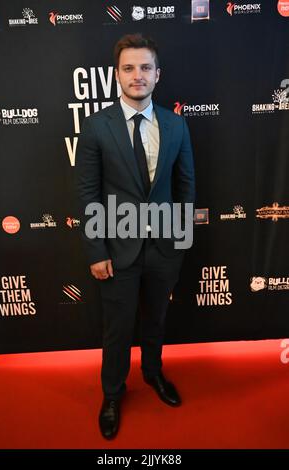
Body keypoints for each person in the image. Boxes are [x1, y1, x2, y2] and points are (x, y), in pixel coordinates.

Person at [75, 33, 195, 440]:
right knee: (117, 328)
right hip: (115, 249)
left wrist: (179, 244)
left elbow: (186, 188)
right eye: (129, 68)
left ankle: (154, 374)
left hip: (164, 249)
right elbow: (88, 193)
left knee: (157, 321)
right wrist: (96, 249)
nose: (137, 75)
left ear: (157, 75)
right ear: (117, 75)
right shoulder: (95, 127)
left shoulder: (177, 124)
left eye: (145, 68)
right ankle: (112, 393)